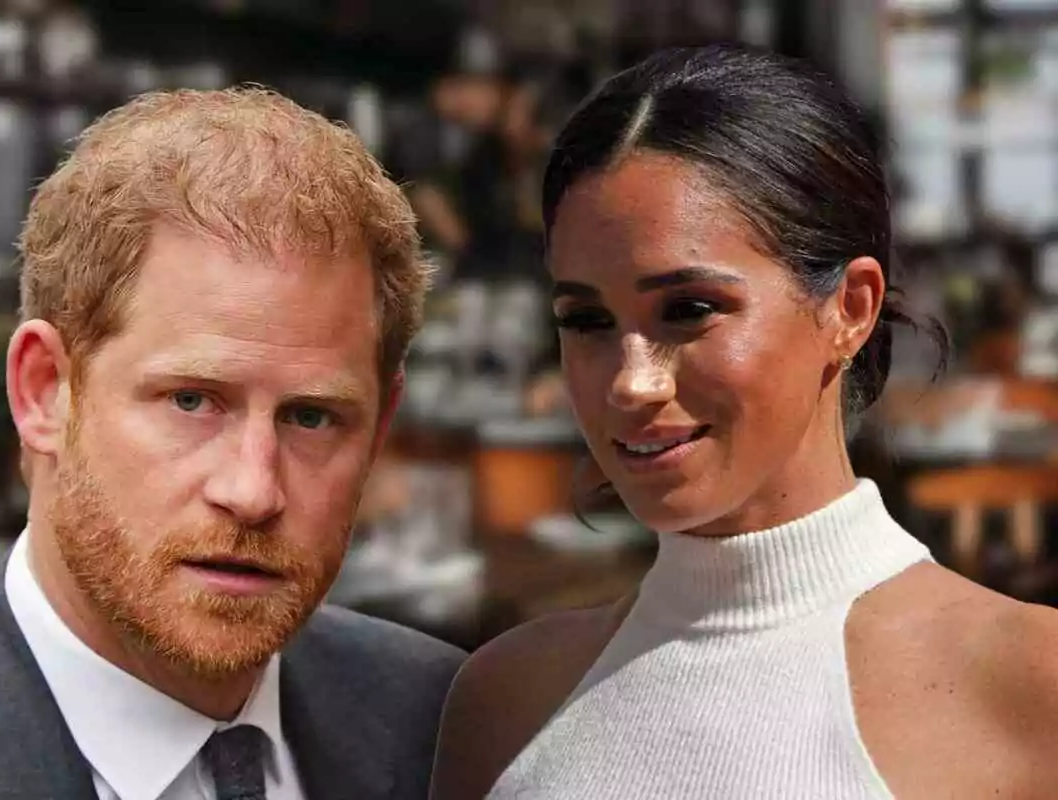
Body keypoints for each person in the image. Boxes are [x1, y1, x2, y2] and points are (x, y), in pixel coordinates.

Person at [430, 43, 1058, 800]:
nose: (632, 382)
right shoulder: (502, 700)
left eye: (689, 310)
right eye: (586, 319)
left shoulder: (1029, 690)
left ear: (849, 309)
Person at [0, 86, 465, 800]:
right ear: (43, 390)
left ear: (380, 428)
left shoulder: (449, 722)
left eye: (311, 417)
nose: (252, 490)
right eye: (192, 401)